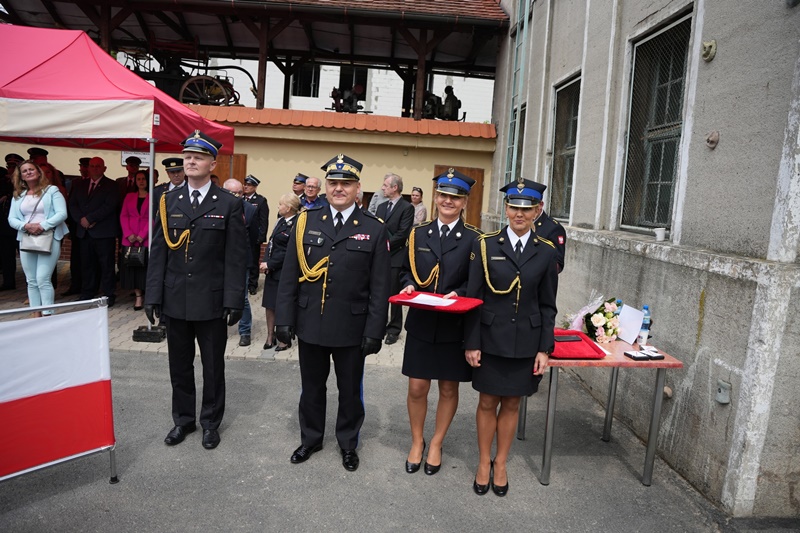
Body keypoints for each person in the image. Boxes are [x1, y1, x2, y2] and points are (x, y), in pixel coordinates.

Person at [275, 153, 390, 472]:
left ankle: (348, 443)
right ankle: (311, 438)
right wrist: (283, 319)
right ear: (326, 186)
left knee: (350, 390)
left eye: (346, 183)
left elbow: (380, 287)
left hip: (352, 327)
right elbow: (289, 275)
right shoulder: (306, 221)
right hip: (311, 321)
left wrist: (375, 330)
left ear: (358, 188)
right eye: (333, 182)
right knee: (311, 387)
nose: (339, 188)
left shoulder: (374, 228)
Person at [144, 130, 247, 450]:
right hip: (175, 297)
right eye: (187, 156)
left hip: (211, 299)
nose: (190, 161)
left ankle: (210, 423)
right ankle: (183, 420)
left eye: (198, 157)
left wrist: (233, 300)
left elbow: (235, 258)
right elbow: (159, 252)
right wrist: (152, 295)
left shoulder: (229, 204)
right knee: (179, 365)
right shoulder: (168, 201)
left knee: (213, 366)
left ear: (212, 164)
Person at [464, 178, 558, 497]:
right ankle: (483, 462)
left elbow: (547, 305)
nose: (519, 214)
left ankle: (501, 463)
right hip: (490, 338)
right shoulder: (486, 245)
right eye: (514, 207)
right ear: (506, 209)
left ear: (537, 210)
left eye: (526, 209)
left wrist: (545, 348)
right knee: (487, 401)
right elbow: (473, 298)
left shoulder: (546, 252)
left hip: (526, 341)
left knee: (513, 403)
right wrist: (472, 342)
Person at [398, 169, 481, 476]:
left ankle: (436, 443)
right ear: (435, 198)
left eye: (455, 198)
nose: (448, 201)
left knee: (448, 388)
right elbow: (405, 270)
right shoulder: (418, 234)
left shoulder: (474, 239)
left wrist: (460, 293)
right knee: (417, 387)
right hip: (422, 322)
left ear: (464, 203)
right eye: (444, 196)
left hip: (453, 325)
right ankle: (417, 441)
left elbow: (476, 283)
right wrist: (408, 284)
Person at [7, 160, 69, 316]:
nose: (28, 172)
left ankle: (47, 315)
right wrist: (26, 226)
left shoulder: (52, 190)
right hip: (26, 238)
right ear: (21, 176)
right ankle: (35, 314)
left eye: (31, 169)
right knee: (31, 281)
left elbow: (62, 214)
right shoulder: (18, 195)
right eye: (24, 171)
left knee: (43, 279)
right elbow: (12, 219)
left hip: (49, 238)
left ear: (38, 172)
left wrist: (41, 225)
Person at [68, 157, 119, 307]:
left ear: (104, 168)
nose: (95, 168)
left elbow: (110, 206)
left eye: (98, 166)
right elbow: (72, 204)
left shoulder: (112, 185)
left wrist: (90, 218)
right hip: (84, 232)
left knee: (106, 265)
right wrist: (81, 220)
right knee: (87, 264)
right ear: (88, 168)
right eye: (92, 166)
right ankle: (88, 292)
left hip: (104, 232)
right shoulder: (79, 185)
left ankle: (109, 294)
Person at [376, 173, 415, 345]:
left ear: (395, 187)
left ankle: (394, 329)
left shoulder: (407, 208)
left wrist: (384, 245)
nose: (382, 188)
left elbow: (403, 233)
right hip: (379, 257)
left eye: (385, 185)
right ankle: (379, 325)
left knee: (394, 294)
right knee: (379, 292)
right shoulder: (381, 207)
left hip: (395, 256)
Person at [221, 178, 260, 347]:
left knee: (241, 297)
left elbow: (253, 239)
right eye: (232, 193)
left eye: (239, 193)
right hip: (219, 260)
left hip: (241, 261)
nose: (236, 196)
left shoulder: (250, 209)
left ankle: (245, 331)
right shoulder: (217, 206)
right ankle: (219, 328)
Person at [260, 193, 300, 351]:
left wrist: (270, 263)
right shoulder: (280, 221)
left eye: (281, 204)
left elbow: (289, 251)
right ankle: (270, 336)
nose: (278, 207)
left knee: (283, 305)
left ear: (288, 208)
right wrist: (266, 262)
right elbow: (271, 244)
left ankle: (284, 338)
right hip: (272, 271)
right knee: (269, 305)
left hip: (285, 271)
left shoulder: (297, 223)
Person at [120, 170, 151, 310]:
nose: (141, 181)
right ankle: (138, 297)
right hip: (130, 239)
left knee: (145, 270)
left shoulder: (153, 196)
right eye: (138, 179)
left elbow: (153, 218)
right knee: (133, 269)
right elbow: (123, 216)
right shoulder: (129, 196)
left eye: (143, 178)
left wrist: (143, 234)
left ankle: (148, 296)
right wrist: (128, 233)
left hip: (145, 239)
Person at [61, 157, 91, 297]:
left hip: (93, 226)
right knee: (76, 258)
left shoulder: (98, 183)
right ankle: (75, 284)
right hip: (77, 226)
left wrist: (89, 219)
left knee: (89, 260)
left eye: (86, 166)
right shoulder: (75, 183)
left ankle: (89, 286)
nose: (83, 169)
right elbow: (71, 203)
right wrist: (78, 220)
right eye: (82, 166)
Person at [529, 181, 567, 273]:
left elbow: (557, 265)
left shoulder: (554, 228)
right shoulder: (520, 225)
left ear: (540, 205)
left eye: (529, 207)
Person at [243, 175, 270, 295]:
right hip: (242, 235)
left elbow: (263, 220)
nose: (246, 187)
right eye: (245, 184)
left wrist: (261, 237)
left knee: (253, 260)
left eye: (249, 185)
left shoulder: (260, 201)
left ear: (255, 187)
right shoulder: (240, 198)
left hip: (253, 236)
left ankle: (252, 284)